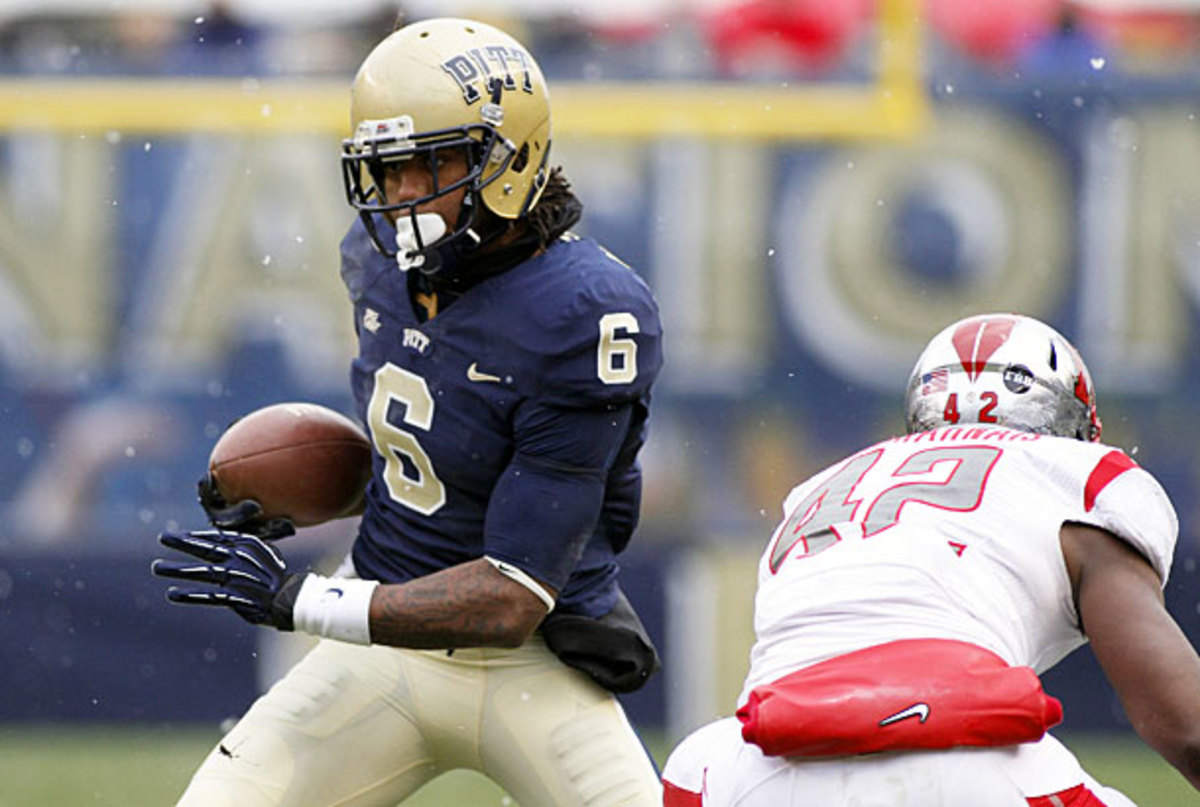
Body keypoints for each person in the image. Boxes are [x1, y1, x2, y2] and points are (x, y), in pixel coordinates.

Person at [152, 16, 664, 807]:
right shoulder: (378, 263)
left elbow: (513, 592)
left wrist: (304, 599)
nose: (402, 197)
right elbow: (439, 447)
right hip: (383, 643)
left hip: (531, 661)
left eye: (430, 166)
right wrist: (311, 486)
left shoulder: (586, 313)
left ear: (510, 159)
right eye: (387, 170)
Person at [661, 313, 1200, 806]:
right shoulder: (1074, 475)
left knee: (693, 764)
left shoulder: (819, 489)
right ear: (1072, 419)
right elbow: (1184, 724)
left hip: (758, 768)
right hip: (958, 759)